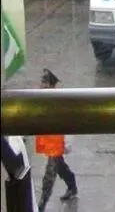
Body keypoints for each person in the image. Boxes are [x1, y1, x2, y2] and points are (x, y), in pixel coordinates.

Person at [36, 70, 77, 210]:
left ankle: (42, 203)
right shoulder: (41, 98)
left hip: (56, 142)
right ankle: (72, 185)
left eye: (44, 82)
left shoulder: (57, 101)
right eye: (42, 82)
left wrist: (67, 143)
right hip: (49, 142)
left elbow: (68, 122)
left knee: (50, 174)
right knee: (59, 165)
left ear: (51, 85)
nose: (41, 85)